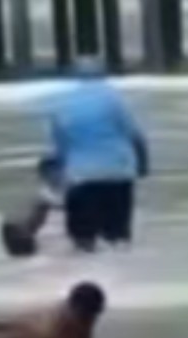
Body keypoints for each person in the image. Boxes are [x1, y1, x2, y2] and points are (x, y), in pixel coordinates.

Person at [21, 60, 151, 254]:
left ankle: (86, 265)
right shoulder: (114, 99)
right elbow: (136, 137)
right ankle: (121, 269)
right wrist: (142, 166)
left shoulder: (63, 104)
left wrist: (53, 178)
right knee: (118, 240)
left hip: (81, 179)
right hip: (119, 177)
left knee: (83, 242)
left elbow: (58, 149)